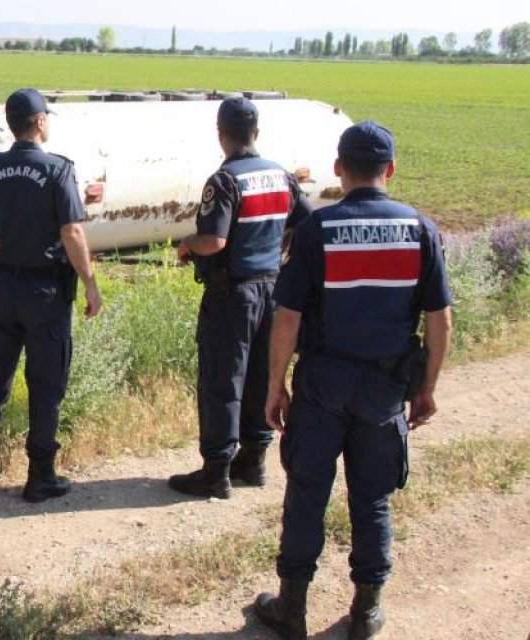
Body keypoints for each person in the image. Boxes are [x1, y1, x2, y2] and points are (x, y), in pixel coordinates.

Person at [252, 121, 453, 640]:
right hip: (385, 387)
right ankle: (366, 612)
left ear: (339, 169)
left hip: (322, 385)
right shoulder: (420, 229)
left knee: (307, 494)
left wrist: (276, 385)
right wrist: (427, 386)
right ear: (390, 170)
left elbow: (288, 317)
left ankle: (291, 608)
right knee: (372, 499)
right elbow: (439, 321)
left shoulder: (318, 229)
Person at [0, 88, 104, 503]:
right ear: (41, 122)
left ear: (12, 125)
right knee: (45, 384)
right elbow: (72, 231)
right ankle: (40, 475)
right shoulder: (58, 170)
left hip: (3, 286)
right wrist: (91, 283)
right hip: (45, 291)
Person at [169, 97, 313, 499]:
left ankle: (216, 470)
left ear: (221, 135)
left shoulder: (225, 180)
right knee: (260, 376)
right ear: (257, 134)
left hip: (233, 295)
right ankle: (253, 461)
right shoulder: (282, 176)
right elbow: (308, 224)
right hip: (273, 289)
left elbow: (214, 241)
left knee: (222, 377)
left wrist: (186, 244)